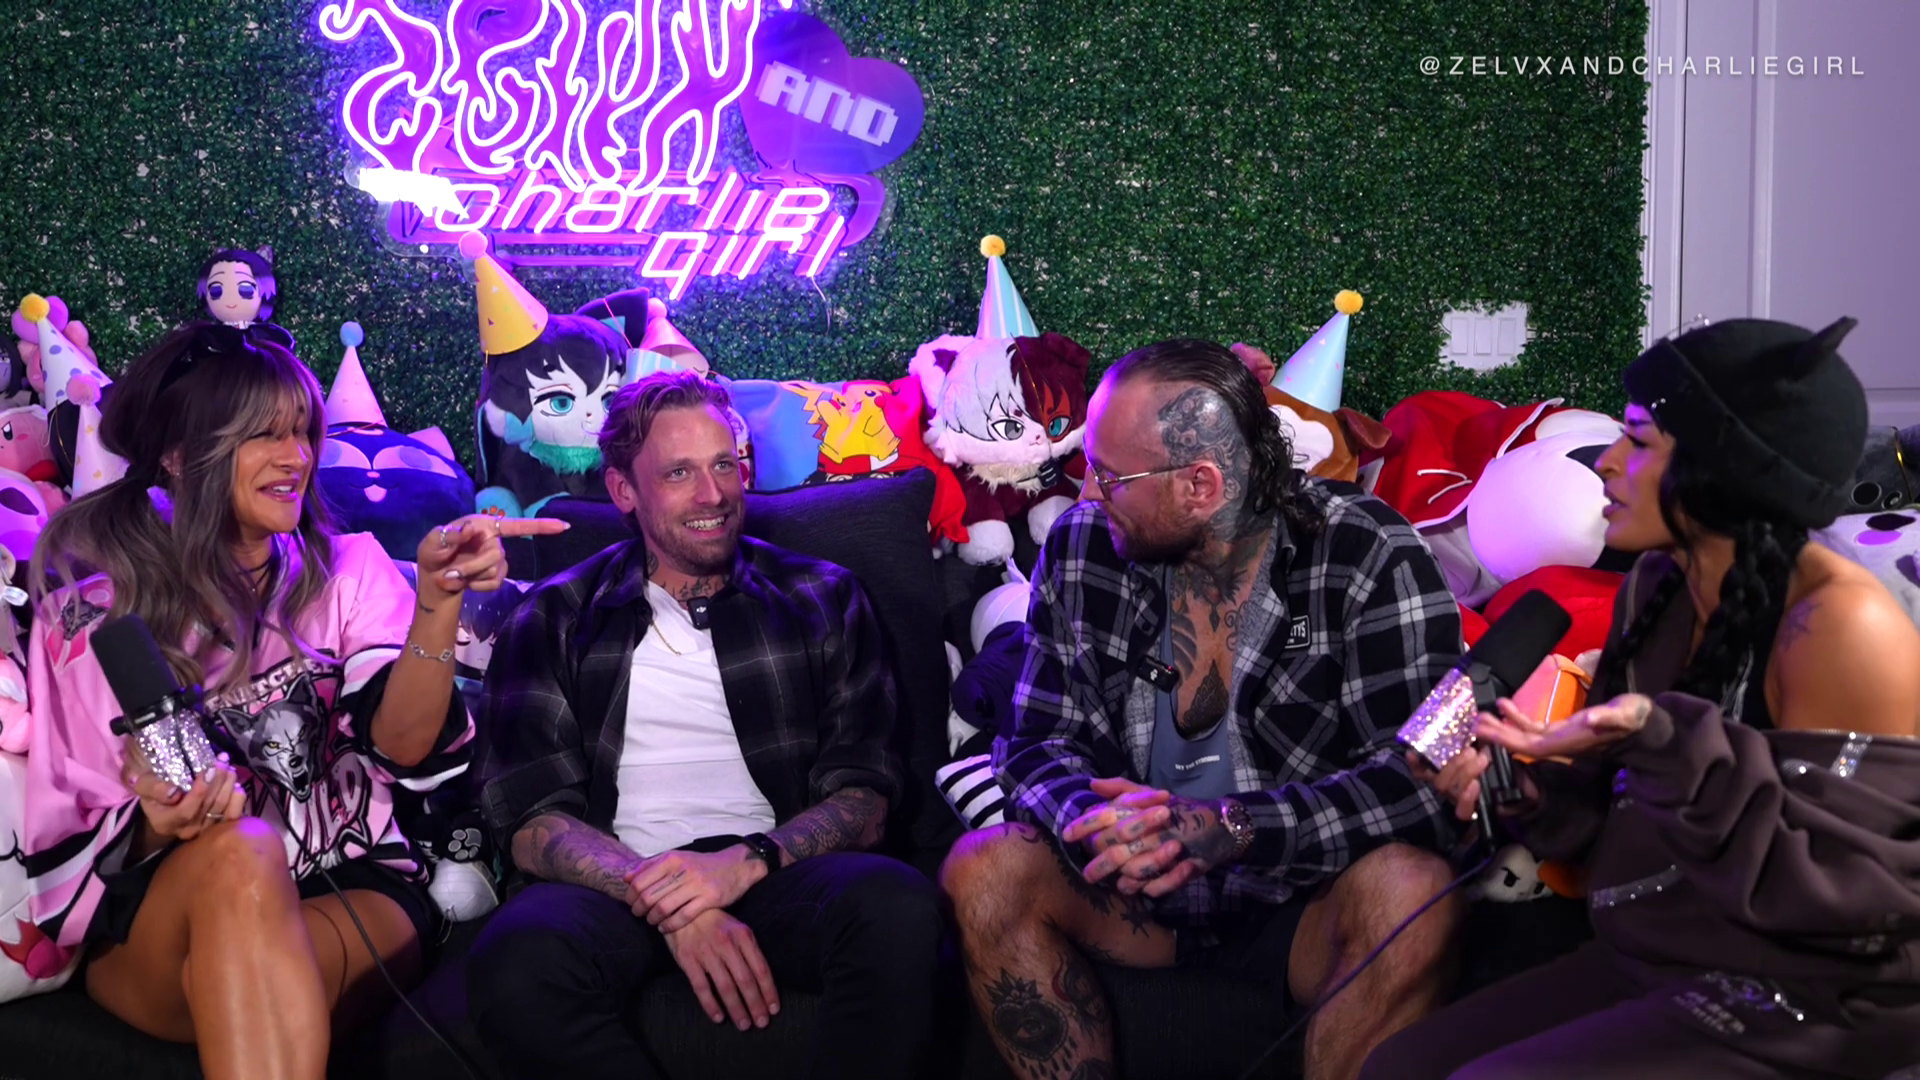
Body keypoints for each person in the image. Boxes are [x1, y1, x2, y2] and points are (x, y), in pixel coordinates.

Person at [1362, 317, 1920, 1080]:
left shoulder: (1841, 624)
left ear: (1725, 466)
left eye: (1638, 440)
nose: (1606, 463)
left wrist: (1662, 738)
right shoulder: (1659, 584)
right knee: (1399, 1067)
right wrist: (1524, 792)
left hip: (1811, 996)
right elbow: (1621, 833)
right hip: (1663, 954)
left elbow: (1839, 901)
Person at [20, 321, 558, 1080]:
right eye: (263, 435)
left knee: (248, 937)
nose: (297, 456)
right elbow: (63, 826)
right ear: (177, 454)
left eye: (303, 430)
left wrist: (437, 604)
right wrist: (153, 825)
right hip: (158, 913)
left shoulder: (348, 570)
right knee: (242, 856)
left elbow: (404, 745)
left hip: (349, 884)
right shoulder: (92, 618)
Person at [941, 339, 1470, 1080]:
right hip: (1132, 898)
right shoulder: (1083, 545)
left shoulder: (1367, 550)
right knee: (984, 868)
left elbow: (1424, 774)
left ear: (1201, 485)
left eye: (1110, 476)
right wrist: (1097, 822)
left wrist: (1234, 828)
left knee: (1414, 891)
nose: (1089, 491)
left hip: (1300, 897)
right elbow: (1036, 742)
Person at [466, 370, 946, 1080]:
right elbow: (531, 821)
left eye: (725, 464)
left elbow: (866, 799)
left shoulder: (822, 596)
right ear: (624, 490)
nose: (714, 494)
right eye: (679, 473)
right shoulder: (555, 614)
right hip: (612, 883)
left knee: (898, 909)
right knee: (515, 963)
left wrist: (744, 864)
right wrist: (672, 901)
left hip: (775, 872)